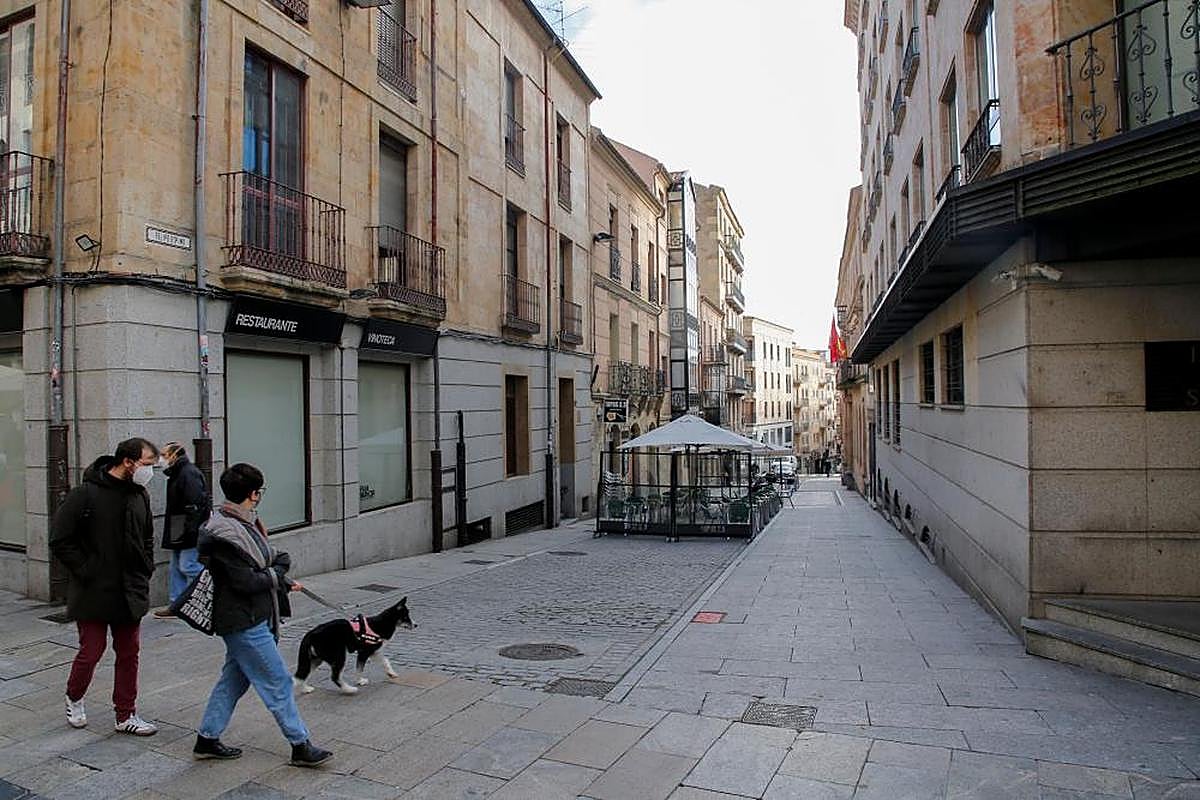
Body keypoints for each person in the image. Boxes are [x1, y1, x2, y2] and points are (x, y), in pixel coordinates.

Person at [194, 462, 331, 767]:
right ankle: (300, 745)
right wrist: (276, 573)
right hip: (244, 619)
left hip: (248, 615)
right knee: (278, 681)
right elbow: (247, 580)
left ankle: (207, 738)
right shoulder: (225, 532)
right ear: (254, 494)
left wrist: (275, 571)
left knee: (233, 680)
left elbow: (274, 557)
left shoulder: (240, 522)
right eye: (260, 491)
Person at [50, 437, 160, 736]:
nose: (150, 471)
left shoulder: (140, 495)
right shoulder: (85, 494)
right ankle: (74, 696)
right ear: (128, 462)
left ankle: (126, 714)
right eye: (147, 464)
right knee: (92, 650)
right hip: (94, 588)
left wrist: (145, 567)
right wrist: (86, 570)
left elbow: (147, 535)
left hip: (130, 587)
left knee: (129, 652)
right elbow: (60, 539)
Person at [154, 442, 211, 617]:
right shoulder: (179, 472)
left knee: (188, 565)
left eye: (164, 454)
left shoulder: (188, 473)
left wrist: (191, 529)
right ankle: (176, 604)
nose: (161, 459)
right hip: (179, 523)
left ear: (174, 455)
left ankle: (209, 590)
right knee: (176, 566)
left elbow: (195, 504)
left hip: (187, 525)